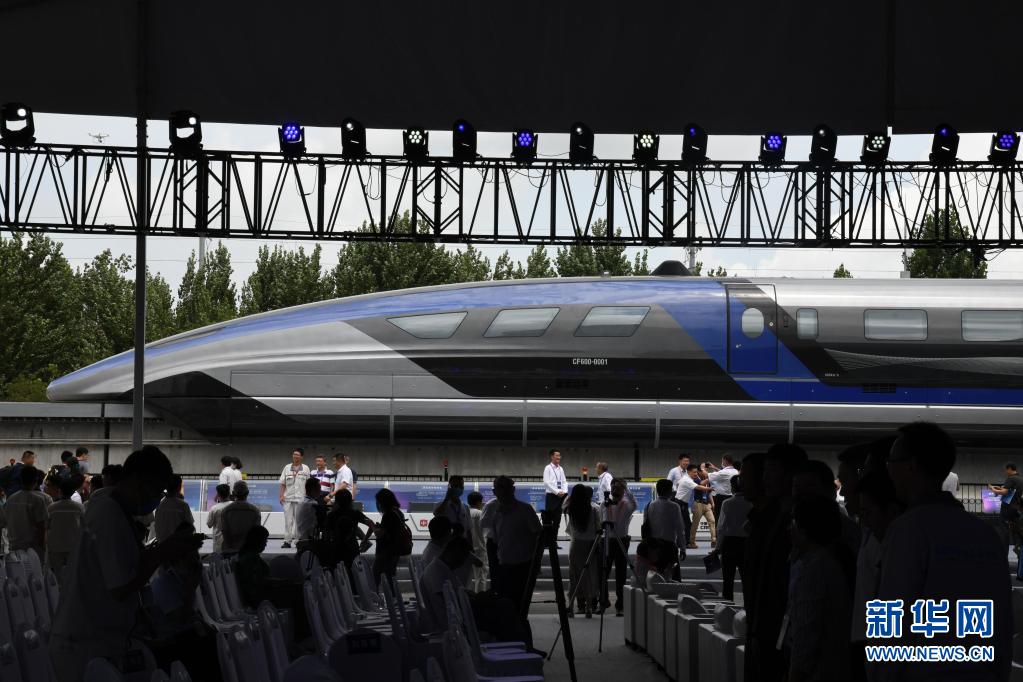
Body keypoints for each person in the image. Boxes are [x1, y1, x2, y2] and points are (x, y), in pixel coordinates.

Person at [49, 445, 203, 682]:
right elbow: (121, 586)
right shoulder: (108, 514)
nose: (155, 499)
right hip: (85, 644)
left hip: (102, 638)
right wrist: (163, 552)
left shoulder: (116, 511)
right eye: (155, 491)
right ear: (139, 483)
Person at [878, 422, 1011, 681]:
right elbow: (1002, 621)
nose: (888, 470)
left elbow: (893, 619)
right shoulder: (985, 534)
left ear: (910, 467)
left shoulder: (907, 529)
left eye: (890, 462)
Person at [744, 443, 806, 682]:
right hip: (762, 627)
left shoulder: (790, 524)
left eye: (771, 471)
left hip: (779, 631)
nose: (766, 478)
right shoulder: (766, 519)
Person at [786, 496, 854, 682]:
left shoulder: (813, 568)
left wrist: (796, 673)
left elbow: (807, 631)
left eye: (793, 522)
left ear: (804, 530)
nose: (789, 528)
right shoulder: (830, 560)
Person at [489, 475, 542, 646]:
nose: (503, 491)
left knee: (520, 611)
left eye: (506, 487)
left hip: (524, 569)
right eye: (500, 488)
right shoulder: (495, 513)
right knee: (507, 611)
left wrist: (535, 565)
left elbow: (539, 537)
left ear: (513, 490)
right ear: (494, 492)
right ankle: (513, 645)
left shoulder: (525, 510)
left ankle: (525, 646)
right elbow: (496, 542)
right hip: (504, 569)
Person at [563, 484, 600, 618]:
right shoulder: (593, 509)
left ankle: (571, 607)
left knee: (574, 576)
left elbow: (565, 503)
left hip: (575, 545)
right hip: (590, 545)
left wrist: (572, 496)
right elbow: (598, 528)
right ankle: (589, 608)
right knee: (589, 576)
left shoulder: (571, 509)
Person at [601, 477, 636, 616]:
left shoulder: (627, 505)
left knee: (621, 574)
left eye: (619, 487)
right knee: (603, 573)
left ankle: (620, 605)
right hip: (607, 540)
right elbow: (601, 521)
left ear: (623, 490)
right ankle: (603, 602)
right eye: (613, 487)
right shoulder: (605, 504)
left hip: (621, 540)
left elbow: (634, 503)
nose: (615, 489)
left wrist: (626, 488)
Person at [715, 474, 751, 601]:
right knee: (747, 579)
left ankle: (727, 605)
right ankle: (748, 605)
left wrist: (718, 547)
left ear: (732, 487)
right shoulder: (751, 503)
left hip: (729, 543)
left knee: (728, 579)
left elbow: (721, 527)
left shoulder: (727, 503)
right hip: (746, 543)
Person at [323, 489, 375, 577]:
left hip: (336, 551)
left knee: (338, 578)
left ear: (337, 501)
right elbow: (371, 524)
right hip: (352, 550)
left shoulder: (331, 515)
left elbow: (326, 535)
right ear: (350, 501)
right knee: (354, 577)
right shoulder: (355, 513)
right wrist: (365, 540)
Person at [5, 465, 49, 557]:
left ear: (20, 479)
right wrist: (43, 546)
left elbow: (6, 522)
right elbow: (41, 526)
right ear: (36, 480)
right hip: (33, 549)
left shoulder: (10, 499)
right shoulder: (38, 500)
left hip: (14, 547)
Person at [644, 479, 685, 577]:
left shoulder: (649, 505)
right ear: (669, 491)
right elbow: (680, 529)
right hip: (669, 546)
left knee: (655, 576)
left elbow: (645, 526)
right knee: (672, 577)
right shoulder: (674, 506)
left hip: (653, 547)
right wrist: (683, 548)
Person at [47, 476, 85, 579]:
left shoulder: (51, 507)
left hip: (55, 546)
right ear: (73, 492)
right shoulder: (80, 507)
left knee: (57, 575)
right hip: (73, 545)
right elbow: (84, 527)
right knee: (72, 574)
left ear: (60, 490)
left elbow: (47, 526)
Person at [373, 488, 409, 584]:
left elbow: (379, 534)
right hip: (395, 550)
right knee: (390, 576)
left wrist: (373, 527)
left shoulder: (388, 514)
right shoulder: (398, 512)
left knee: (376, 573)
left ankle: (381, 592)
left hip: (386, 551)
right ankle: (393, 593)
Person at [219, 480, 262, 556]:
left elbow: (225, 532)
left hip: (231, 550)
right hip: (249, 551)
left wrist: (230, 548)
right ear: (247, 493)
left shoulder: (226, 511)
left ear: (233, 493)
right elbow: (257, 533)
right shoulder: (255, 511)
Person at [278, 448, 310, 549]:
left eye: (297, 455)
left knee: (298, 521)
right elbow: (282, 483)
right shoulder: (287, 467)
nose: (295, 456)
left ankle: (297, 541)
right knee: (288, 521)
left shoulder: (306, 468)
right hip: (288, 498)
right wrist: (281, 495)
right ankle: (287, 541)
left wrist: (307, 497)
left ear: (301, 457)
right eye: (294, 454)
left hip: (300, 499)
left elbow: (308, 485)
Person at [154, 475, 194, 543]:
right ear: (179, 487)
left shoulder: (159, 505)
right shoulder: (183, 505)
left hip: (162, 545)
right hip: (178, 545)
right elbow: (190, 527)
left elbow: (157, 527)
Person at [704, 454, 739, 526]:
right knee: (728, 517)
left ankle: (718, 532)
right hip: (731, 496)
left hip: (721, 498)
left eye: (722, 461)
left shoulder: (724, 472)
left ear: (725, 461)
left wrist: (702, 468)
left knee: (718, 518)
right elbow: (722, 473)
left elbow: (707, 475)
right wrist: (714, 468)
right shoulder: (735, 471)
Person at [690, 464, 717, 549]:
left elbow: (709, 493)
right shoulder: (695, 479)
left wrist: (712, 503)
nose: (706, 471)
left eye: (706, 470)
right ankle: (692, 542)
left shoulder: (707, 481)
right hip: (698, 504)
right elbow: (701, 485)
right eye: (704, 470)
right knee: (695, 524)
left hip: (707, 504)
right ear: (699, 472)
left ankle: (713, 540)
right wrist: (711, 477)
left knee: (712, 521)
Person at [667, 453, 693, 541]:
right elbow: (668, 482)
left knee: (686, 521)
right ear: (680, 461)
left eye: (688, 461)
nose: (687, 463)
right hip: (675, 497)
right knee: (675, 520)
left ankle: (685, 542)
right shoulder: (674, 471)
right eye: (685, 461)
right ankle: (672, 540)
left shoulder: (688, 472)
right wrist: (675, 491)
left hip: (684, 499)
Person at [466, 490, 487, 592]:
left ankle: (466, 597)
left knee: (467, 577)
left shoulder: (465, 513)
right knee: (480, 576)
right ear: (479, 502)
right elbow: (485, 532)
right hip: (479, 549)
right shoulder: (480, 514)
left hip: (466, 550)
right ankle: (480, 598)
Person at [543, 449, 568, 530]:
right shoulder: (548, 468)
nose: (559, 457)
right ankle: (548, 537)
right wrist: (557, 492)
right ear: (552, 457)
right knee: (548, 521)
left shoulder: (561, 469)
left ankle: (554, 538)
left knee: (557, 521)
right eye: (557, 455)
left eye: (559, 455)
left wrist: (564, 491)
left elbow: (564, 482)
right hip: (551, 497)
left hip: (560, 497)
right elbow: (546, 483)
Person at [295, 478, 324, 543]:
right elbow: (321, 522)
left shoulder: (301, 501)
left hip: (301, 538)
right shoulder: (312, 504)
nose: (320, 491)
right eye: (319, 489)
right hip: (309, 541)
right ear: (313, 490)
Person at [206, 483, 232, 554]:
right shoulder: (235, 506)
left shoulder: (214, 508)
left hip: (218, 541)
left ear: (218, 494)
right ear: (229, 493)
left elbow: (209, 524)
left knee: (218, 558)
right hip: (233, 540)